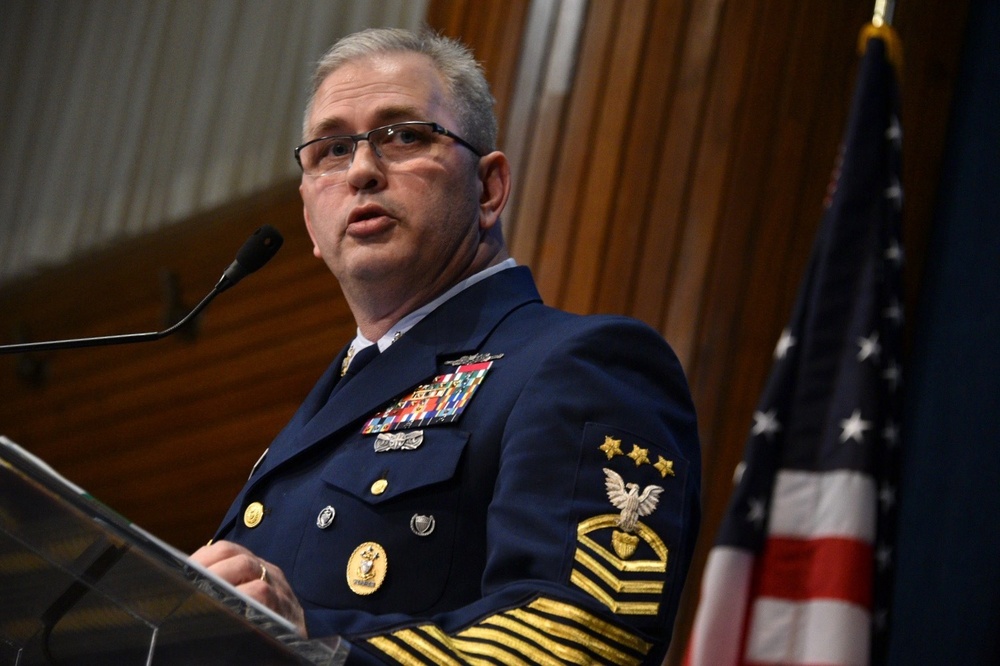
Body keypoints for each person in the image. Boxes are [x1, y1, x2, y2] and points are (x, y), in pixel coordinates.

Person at [191, 27, 701, 665]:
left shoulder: (582, 365)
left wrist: (315, 643)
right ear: (310, 225)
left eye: (404, 136)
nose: (362, 171)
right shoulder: (326, 410)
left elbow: (574, 640)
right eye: (331, 149)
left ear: (488, 189)